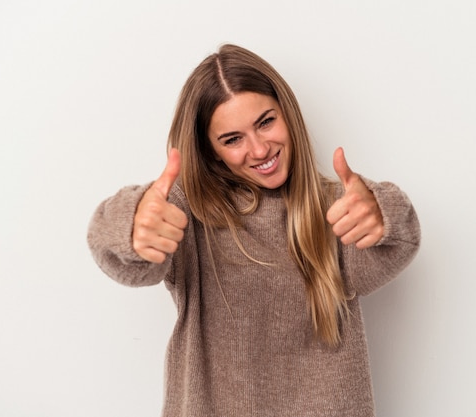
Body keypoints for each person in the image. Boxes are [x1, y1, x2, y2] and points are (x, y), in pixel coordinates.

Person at [87, 44, 420, 417]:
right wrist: (131, 225)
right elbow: (123, 258)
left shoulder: (336, 209)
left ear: (288, 114)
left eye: (266, 122)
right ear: (211, 150)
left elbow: (395, 247)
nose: (260, 149)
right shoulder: (187, 212)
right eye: (232, 139)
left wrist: (384, 215)